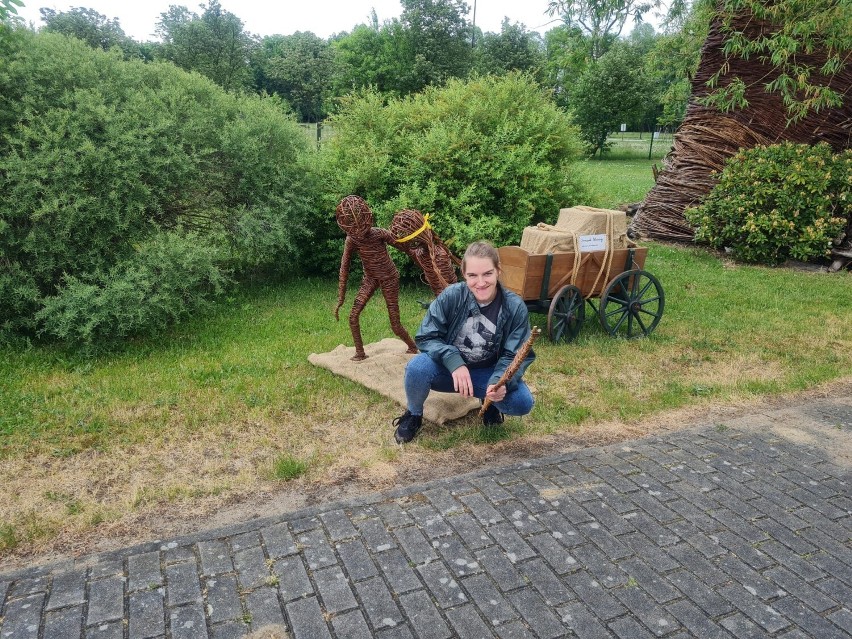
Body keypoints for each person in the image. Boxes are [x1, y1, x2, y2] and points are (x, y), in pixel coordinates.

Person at [393, 240, 535, 443]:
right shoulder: (451, 296)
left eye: (487, 273)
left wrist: (500, 382)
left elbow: (514, 354)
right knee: (417, 368)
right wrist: (454, 362)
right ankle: (414, 414)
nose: (481, 282)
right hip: (448, 372)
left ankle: (489, 403)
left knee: (522, 402)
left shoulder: (515, 306)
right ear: (464, 275)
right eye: (472, 275)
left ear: (498, 271)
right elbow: (427, 336)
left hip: (488, 374)